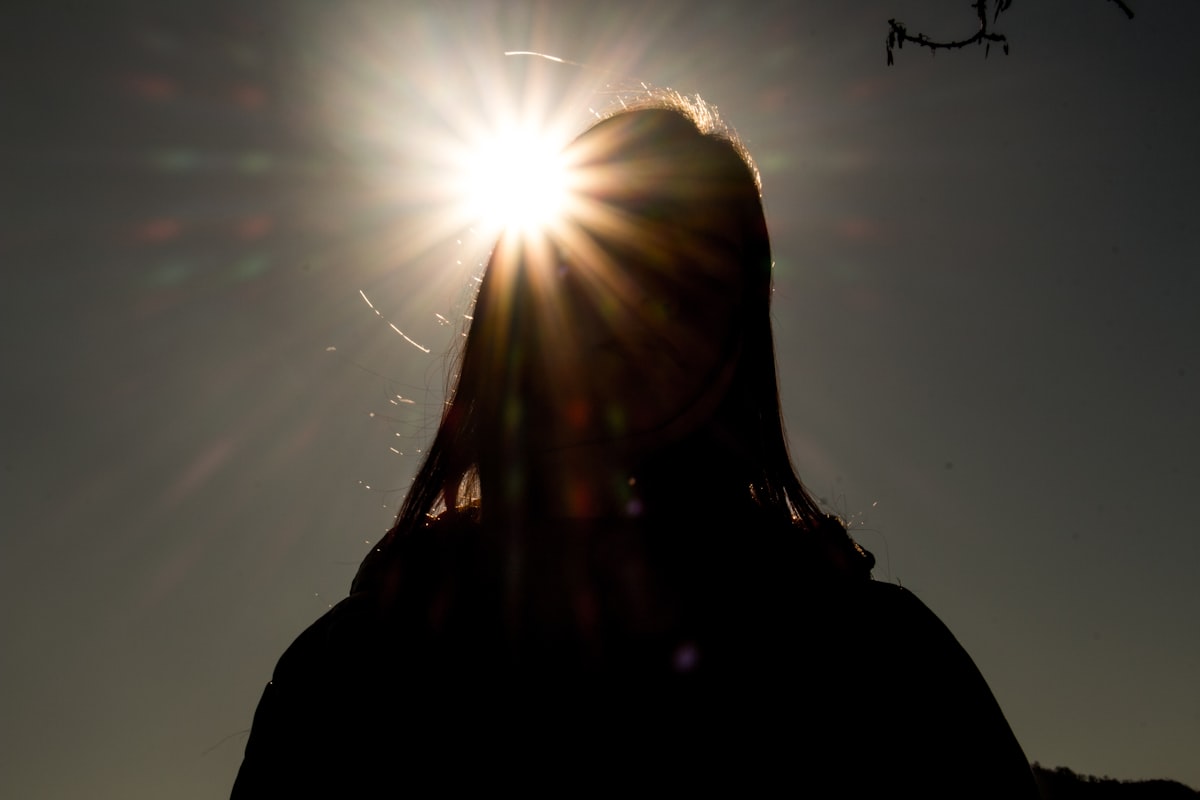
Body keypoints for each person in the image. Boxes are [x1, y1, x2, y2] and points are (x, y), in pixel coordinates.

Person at [232, 95, 1039, 797]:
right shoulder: (359, 671)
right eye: (598, 258)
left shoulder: (873, 665)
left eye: (687, 282)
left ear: (735, 347)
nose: (634, 305)